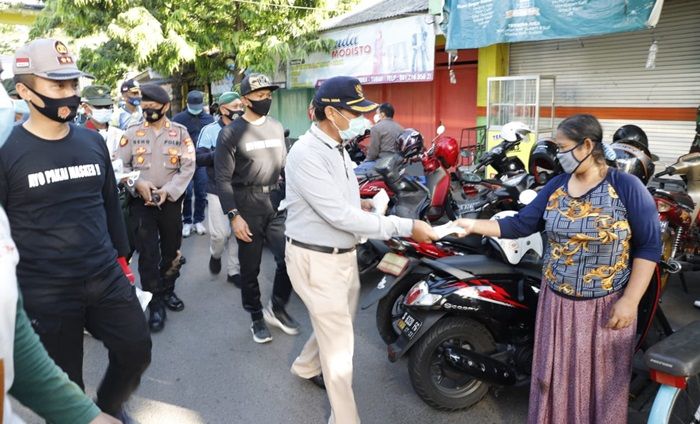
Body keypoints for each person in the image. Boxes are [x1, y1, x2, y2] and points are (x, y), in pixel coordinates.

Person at [454, 114, 661, 424]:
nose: (558, 155)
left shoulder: (625, 186)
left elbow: (649, 246)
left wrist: (630, 301)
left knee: (601, 386)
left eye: (563, 148)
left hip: (604, 309)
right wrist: (472, 225)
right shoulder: (556, 185)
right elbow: (520, 224)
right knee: (557, 380)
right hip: (558, 306)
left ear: (588, 145)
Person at [2, 38, 152, 423]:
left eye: (73, 84)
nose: (69, 94)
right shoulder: (8, 154)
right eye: (57, 85)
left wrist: (123, 260)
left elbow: (108, 206)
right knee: (64, 387)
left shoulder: (91, 142)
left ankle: (107, 407)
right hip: (46, 292)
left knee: (137, 349)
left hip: (104, 276)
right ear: (24, 91)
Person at [283, 76, 438, 424]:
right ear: (332, 112)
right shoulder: (307, 154)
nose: (362, 119)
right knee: (340, 351)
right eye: (355, 112)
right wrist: (407, 226)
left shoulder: (336, 147)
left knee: (337, 322)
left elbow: (340, 203)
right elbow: (338, 215)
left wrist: (364, 207)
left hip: (341, 256)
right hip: (316, 258)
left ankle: (306, 365)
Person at [214, 73, 298, 343]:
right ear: (245, 100)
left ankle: (277, 306)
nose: (266, 99)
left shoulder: (275, 126)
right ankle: (255, 316)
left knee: (289, 259)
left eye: (268, 95)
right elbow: (223, 179)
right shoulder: (230, 133)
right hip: (246, 205)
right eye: (260, 95)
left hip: (276, 201)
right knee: (250, 269)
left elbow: (286, 167)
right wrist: (234, 217)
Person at [116, 83, 195, 332]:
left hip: (170, 202)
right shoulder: (131, 132)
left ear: (166, 107)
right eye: (145, 106)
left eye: (154, 107)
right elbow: (120, 167)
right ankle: (155, 301)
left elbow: (188, 166)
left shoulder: (181, 133)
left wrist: (168, 191)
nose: (148, 111)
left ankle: (168, 289)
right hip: (142, 204)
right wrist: (138, 183)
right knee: (148, 256)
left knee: (172, 251)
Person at [198, 91, 244, 286]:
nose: (240, 110)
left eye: (241, 106)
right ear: (223, 109)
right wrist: (221, 153)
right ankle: (215, 255)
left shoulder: (248, 127)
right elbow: (199, 158)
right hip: (217, 189)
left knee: (238, 233)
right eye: (235, 107)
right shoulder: (209, 131)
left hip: (243, 189)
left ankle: (233, 271)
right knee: (220, 234)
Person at [173, 90, 214, 237]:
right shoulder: (178, 119)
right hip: (184, 162)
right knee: (187, 193)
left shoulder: (209, 119)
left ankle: (199, 220)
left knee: (201, 192)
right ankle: (187, 221)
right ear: (188, 104)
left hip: (202, 161)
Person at [354, 102, 402, 174]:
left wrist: (365, 161)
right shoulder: (400, 128)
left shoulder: (376, 127)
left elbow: (373, 152)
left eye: (377, 113)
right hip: (397, 162)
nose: (376, 115)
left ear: (382, 114)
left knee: (355, 173)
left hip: (382, 162)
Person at [81, 84, 122, 158]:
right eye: (99, 106)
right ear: (86, 107)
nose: (104, 109)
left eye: (107, 106)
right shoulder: (79, 136)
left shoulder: (119, 134)